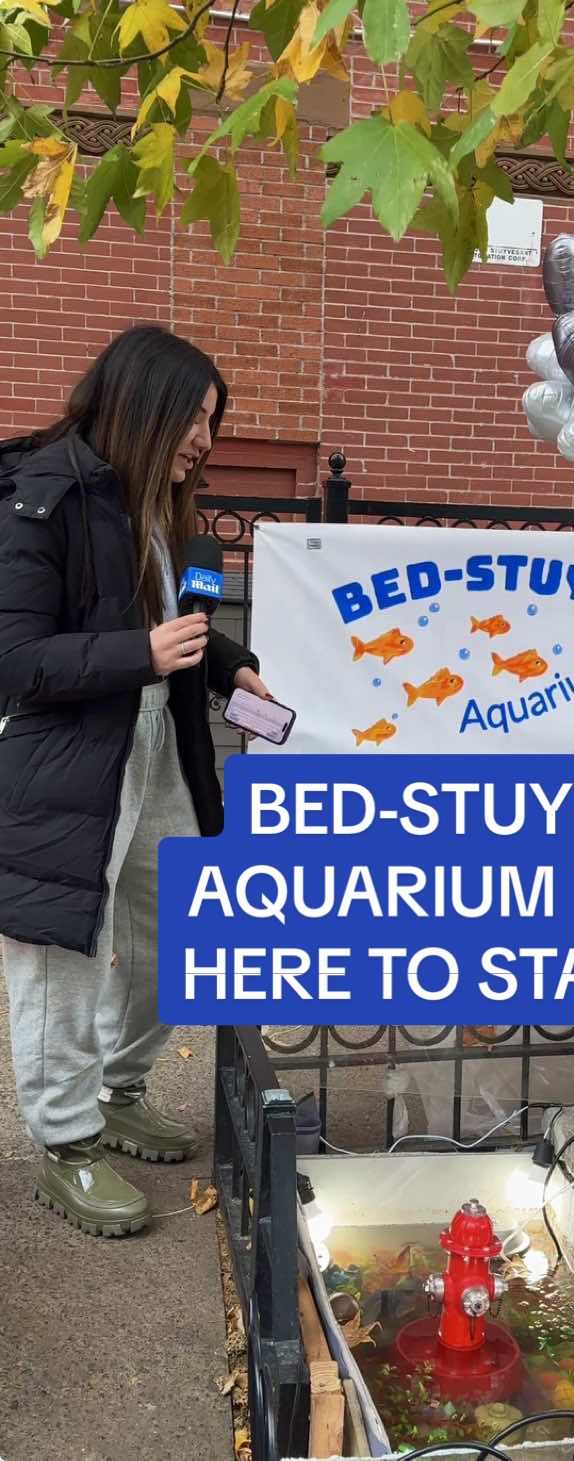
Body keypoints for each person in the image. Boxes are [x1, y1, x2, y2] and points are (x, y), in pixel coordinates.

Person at [0, 325, 272, 1237]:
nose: (205, 440)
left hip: (165, 741)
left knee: (183, 934)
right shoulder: (45, 494)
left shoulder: (158, 504)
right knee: (64, 958)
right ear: (146, 402)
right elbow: (15, 657)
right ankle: (66, 1144)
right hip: (70, 755)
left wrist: (228, 661)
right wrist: (139, 654)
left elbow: (171, 617)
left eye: (212, 424)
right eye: (196, 418)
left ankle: (119, 1088)